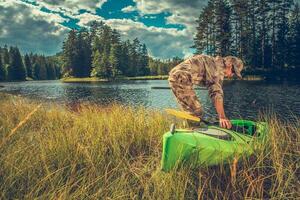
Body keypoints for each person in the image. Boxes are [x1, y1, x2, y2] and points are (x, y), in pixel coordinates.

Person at [168, 54, 244, 129]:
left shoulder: (213, 62)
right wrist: (222, 117)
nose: (231, 75)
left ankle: (188, 129)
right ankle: (194, 135)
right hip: (181, 78)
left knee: (191, 113)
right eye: (233, 72)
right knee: (196, 111)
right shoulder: (217, 68)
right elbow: (216, 92)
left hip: (177, 77)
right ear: (230, 65)